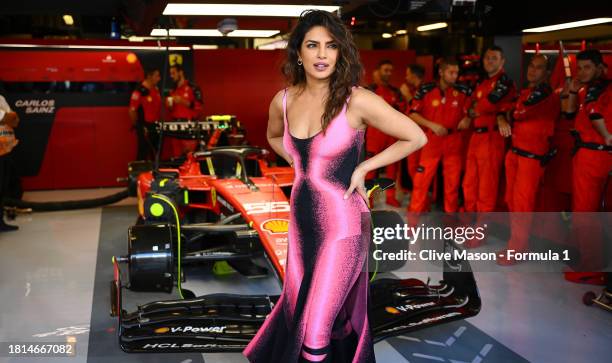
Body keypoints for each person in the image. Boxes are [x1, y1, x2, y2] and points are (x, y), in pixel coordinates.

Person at [243, 10, 426, 363]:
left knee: (316, 332)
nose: (322, 54)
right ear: (299, 52)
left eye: (331, 46)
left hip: (343, 225)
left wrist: (363, 169)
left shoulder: (356, 100)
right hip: (301, 223)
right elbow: (273, 136)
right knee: (299, 309)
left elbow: (415, 136)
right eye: (313, 45)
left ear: (341, 52)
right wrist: (302, 165)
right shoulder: (283, 100)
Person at [498, 54, 560, 265]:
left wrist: (507, 112)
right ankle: (517, 242)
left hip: (531, 159)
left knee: (522, 204)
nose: (533, 71)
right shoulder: (526, 92)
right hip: (514, 154)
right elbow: (506, 108)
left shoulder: (546, 96)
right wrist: (501, 115)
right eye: (531, 66)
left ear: (547, 72)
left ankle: (517, 247)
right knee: (511, 201)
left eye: (539, 67)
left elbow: (519, 113)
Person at [565, 49, 611, 270]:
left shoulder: (602, 89)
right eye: (579, 67)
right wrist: (573, 92)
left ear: (599, 68)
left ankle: (591, 266)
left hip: (596, 155)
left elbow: (594, 114)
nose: (581, 72)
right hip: (586, 154)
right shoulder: (587, 89)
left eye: (587, 67)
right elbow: (569, 113)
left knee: (586, 213)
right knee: (585, 212)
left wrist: (607, 136)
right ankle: (591, 261)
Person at [407, 57, 471, 213]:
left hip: (454, 141)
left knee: (452, 186)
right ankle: (411, 227)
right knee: (421, 183)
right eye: (451, 72)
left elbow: (471, 110)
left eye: (456, 72)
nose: (454, 76)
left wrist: (468, 118)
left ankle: (450, 228)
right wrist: (432, 125)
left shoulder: (464, 91)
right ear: (441, 72)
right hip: (432, 141)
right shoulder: (425, 90)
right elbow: (412, 114)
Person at [462, 45, 516, 213]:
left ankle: (479, 231)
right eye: (487, 58)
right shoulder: (481, 82)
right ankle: (468, 223)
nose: (490, 61)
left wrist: (479, 108)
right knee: (469, 184)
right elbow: (467, 106)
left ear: (502, 62)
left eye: (494, 58)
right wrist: (477, 108)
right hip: (476, 138)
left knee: (486, 188)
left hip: (492, 138)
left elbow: (488, 103)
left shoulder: (505, 81)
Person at [365, 59, 406, 206]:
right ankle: (368, 198)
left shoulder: (396, 92)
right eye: (385, 70)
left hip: (392, 134)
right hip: (374, 134)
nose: (388, 73)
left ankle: (390, 196)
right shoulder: (369, 90)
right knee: (370, 168)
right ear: (378, 71)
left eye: (390, 70)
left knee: (392, 169)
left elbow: (403, 110)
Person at [166, 64, 204, 156]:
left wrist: (184, 102)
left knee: (189, 156)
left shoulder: (193, 88)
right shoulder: (172, 90)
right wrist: (169, 105)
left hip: (189, 126)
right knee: (176, 156)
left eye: (173, 73)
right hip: (175, 127)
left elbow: (199, 107)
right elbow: (171, 110)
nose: (171, 76)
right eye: (170, 74)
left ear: (180, 72)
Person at [128, 68, 161, 160]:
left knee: (156, 154)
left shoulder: (156, 89)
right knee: (143, 153)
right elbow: (132, 110)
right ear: (149, 76)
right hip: (144, 126)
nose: (159, 79)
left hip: (155, 126)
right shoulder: (139, 91)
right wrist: (138, 125)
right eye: (157, 76)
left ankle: (155, 173)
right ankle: (139, 173)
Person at [400, 64, 425, 181]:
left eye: (408, 74)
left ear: (414, 75)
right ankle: (418, 196)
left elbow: (421, 112)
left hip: (422, 134)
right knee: (413, 167)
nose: (406, 77)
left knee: (419, 168)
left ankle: (420, 197)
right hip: (412, 134)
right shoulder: (414, 90)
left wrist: (408, 96)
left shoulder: (425, 90)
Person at [0, 94, 19, 232]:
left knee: (2, 189)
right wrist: (6, 117)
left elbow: (14, 120)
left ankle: (0, 222)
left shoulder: (0, 98)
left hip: (5, 151)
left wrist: (6, 118)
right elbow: (6, 118)